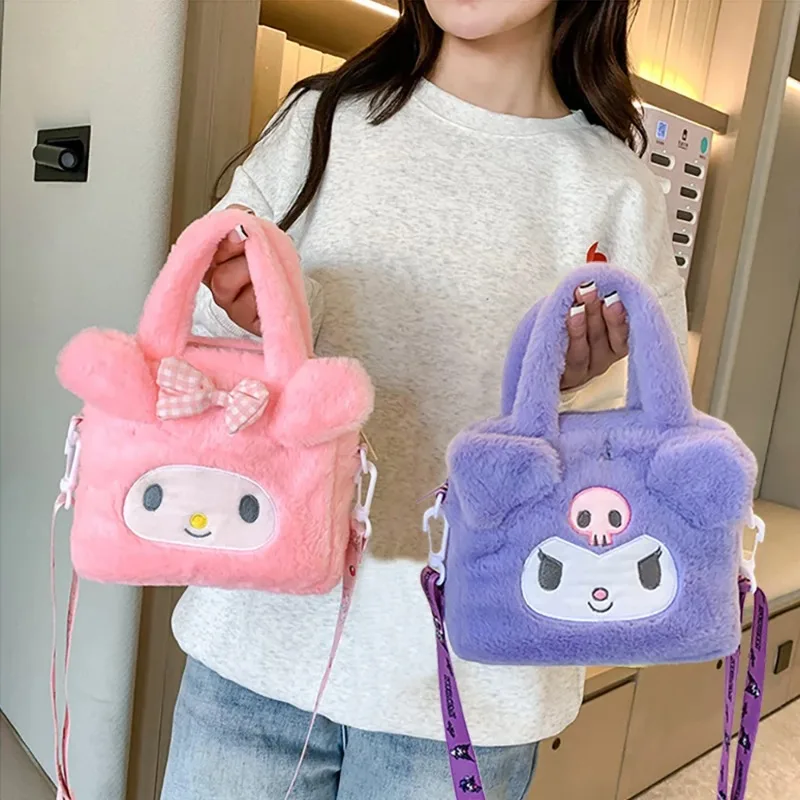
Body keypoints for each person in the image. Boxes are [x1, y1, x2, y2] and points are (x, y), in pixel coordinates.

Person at [161, 1, 688, 798]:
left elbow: (643, 451)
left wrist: (566, 389)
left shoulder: (618, 190)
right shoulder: (320, 122)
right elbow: (196, 344)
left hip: (473, 689)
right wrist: (254, 315)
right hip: (255, 645)